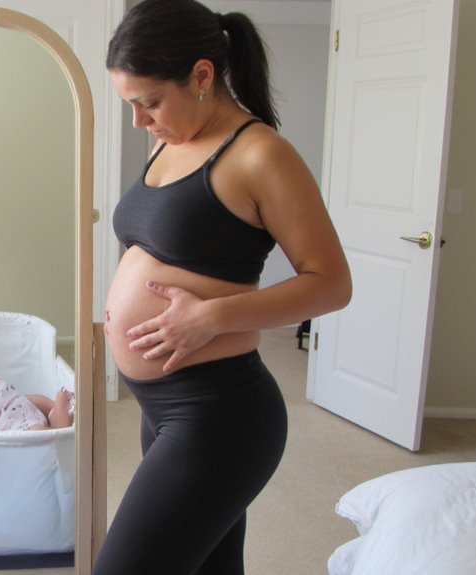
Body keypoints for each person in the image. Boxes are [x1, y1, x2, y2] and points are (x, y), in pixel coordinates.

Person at [96, 1, 352, 574]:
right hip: (162, 407)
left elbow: (331, 284)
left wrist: (211, 317)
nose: (140, 120)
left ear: (203, 75)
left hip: (220, 414)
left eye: (149, 101)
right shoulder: (170, 139)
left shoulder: (262, 155)